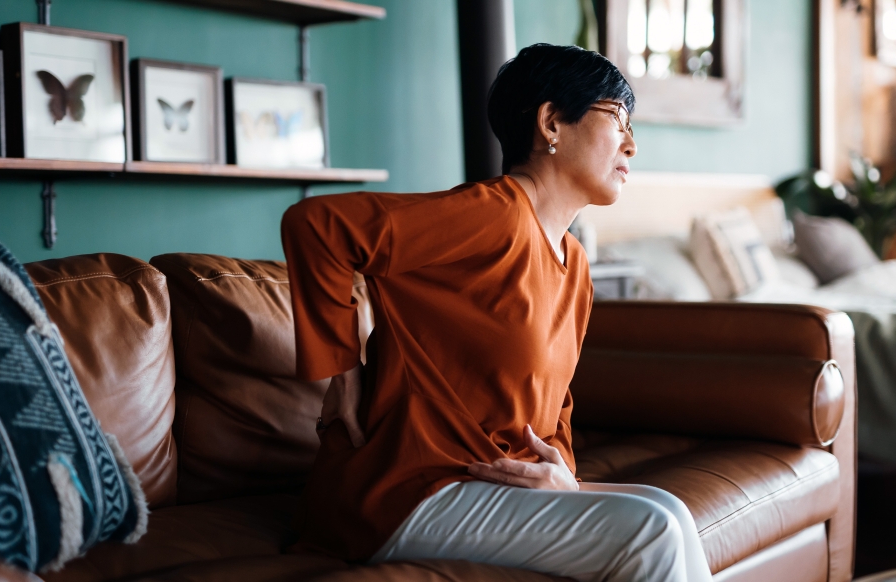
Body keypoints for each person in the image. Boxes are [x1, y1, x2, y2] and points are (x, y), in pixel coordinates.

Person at [281, 43, 713, 582]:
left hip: (488, 486)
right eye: (617, 118)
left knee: (669, 509)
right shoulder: (494, 215)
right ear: (552, 122)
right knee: (650, 530)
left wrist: (563, 475)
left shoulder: (574, 264)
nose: (632, 143)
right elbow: (317, 225)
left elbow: (554, 407)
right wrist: (341, 371)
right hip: (406, 489)